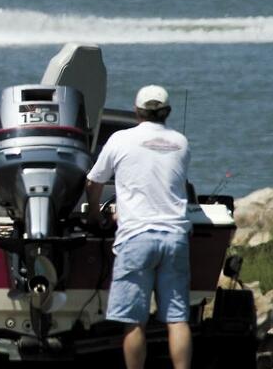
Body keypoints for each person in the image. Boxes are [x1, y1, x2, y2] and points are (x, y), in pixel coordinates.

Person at [86, 85, 192, 369]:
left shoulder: (121, 140)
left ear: (137, 111)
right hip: (175, 237)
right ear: (167, 112)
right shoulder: (181, 142)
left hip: (136, 238)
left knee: (134, 322)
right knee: (177, 319)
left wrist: (96, 215)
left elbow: (93, 183)